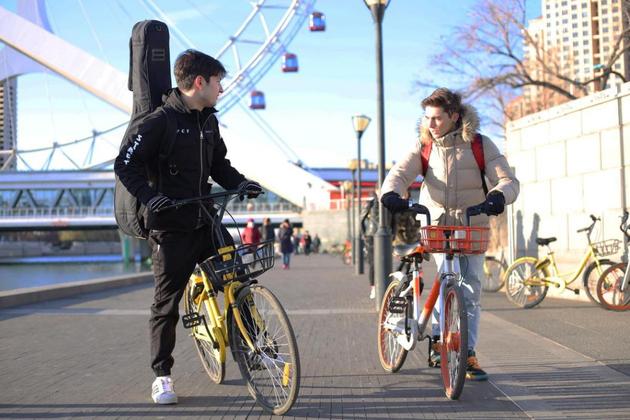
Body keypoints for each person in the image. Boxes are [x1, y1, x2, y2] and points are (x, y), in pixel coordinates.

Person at [114, 49, 262, 405]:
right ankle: (162, 376)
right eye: (218, 82)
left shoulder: (208, 121)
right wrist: (151, 197)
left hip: (206, 220)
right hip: (170, 228)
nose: (221, 89)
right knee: (166, 304)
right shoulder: (157, 123)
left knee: (239, 280)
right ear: (200, 82)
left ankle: (256, 348)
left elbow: (219, 166)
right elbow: (125, 166)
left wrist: (241, 183)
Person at [380, 87, 519, 381]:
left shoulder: (480, 144)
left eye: (437, 118)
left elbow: (508, 181)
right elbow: (399, 174)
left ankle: (466, 353)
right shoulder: (425, 146)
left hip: (471, 226)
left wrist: (498, 196)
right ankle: (439, 340)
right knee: (448, 282)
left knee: (471, 291)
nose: (431, 124)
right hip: (436, 225)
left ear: (454, 116)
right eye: (428, 117)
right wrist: (390, 193)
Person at [360, 192, 379, 299]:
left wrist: (393, 234)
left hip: (385, 237)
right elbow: (361, 219)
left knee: (384, 263)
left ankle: (383, 287)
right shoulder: (370, 203)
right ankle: (373, 288)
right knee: (373, 263)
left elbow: (393, 220)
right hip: (371, 236)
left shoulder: (387, 202)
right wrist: (364, 235)